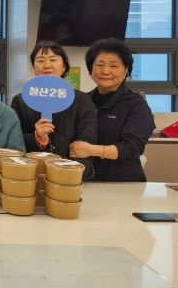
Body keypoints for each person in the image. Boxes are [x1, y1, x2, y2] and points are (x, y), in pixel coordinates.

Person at [69, 38, 155, 182]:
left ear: (126, 70)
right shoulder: (82, 101)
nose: (105, 71)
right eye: (99, 65)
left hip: (123, 182)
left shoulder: (136, 105)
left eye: (114, 66)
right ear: (91, 69)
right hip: (84, 181)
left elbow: (132, 148)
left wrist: (91, 150)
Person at [10, 41, 97, 178]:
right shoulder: (20, 101)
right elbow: (14, 142)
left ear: (64, 67)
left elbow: (86, 142)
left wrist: (68, 174)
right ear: (33, 67)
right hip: (32, 175)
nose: (47, 65)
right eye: (40, 60)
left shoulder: (81, 100)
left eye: (53, 59)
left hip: (69, 176)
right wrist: (36, 137)